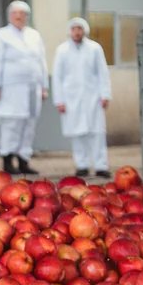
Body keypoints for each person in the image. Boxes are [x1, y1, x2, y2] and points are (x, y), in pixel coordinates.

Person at [0, 0, 49, 175]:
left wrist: (44, 85)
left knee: (29, 124)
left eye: (22, 14)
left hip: (32, 88)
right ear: (10, 16)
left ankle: (23, 160)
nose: (19, 17)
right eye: (15, 13)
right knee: (11, 124)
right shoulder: (1, 35)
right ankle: (7, 160)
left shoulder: (34, 36)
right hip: (10, 89)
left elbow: (41, 61)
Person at [52, 17, 112, 178]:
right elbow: (57, 76)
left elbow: (102, 73)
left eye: (79, 29)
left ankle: (101, 166)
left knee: (97, 133)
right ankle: (82, 165)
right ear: (70, 31)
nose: (77, 32)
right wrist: (59, 100)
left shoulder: (94, 48)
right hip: (71, 99)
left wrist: (105, 94)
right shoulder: (62, 50)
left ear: (84, 30)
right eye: (74, 29)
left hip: (93, 97)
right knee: (77, 134)